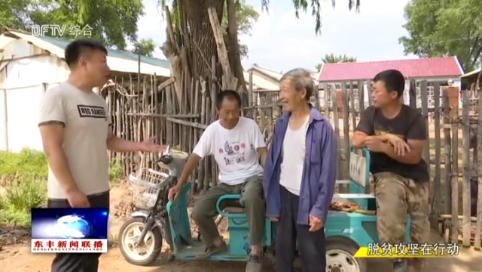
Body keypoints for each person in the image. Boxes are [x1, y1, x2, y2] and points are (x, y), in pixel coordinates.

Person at [38, 39, 166, 272]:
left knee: (90, 258)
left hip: (98, 191)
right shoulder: (57, 97)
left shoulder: (99, 102)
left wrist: (140, 146)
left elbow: (108, 140)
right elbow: (51, 147)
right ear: (83, 62)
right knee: (69, 262)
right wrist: (71, 190)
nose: (107, 67)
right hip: (67, 196)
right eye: (103, 61)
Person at [167, 90, 268, 272]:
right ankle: (215, 242)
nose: (231, 116)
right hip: (227, 184)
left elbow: (262, 151)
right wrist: (179, 184)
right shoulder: (212, 131)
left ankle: (256, 250)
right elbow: (195, 158)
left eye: (235, 111)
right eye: (226, 112)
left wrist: (268, 175)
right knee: (199, 211)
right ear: (217, 111)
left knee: (253, 195)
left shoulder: (250, 125)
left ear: (240, 110)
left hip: (251, 177)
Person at [352, 69, 430, 272]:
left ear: (393, 94)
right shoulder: (371, 113)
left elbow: (413, 156)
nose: (373, 94)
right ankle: (398, 260)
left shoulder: (413, 118)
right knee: (391, 209)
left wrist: (384, 148)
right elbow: (357, 140)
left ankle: (417, 265)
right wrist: (388, 138)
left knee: (420, 230)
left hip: (416, 176)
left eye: (376, 90)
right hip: (386, 174)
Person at [263, 68, 337, 272]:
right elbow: (272, 165)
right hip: (283, 197)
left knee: (312, 259)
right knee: (283, 257)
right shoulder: (282, 124)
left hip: (309, 201)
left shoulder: (321, 127)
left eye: (284, 91)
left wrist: (319, 209)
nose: (281, 97)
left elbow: (328, 174)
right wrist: (273, 203)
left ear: (302, 93)